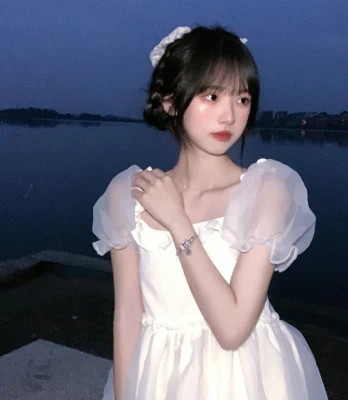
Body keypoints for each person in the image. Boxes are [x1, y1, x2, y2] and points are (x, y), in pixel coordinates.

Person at [92, 25, 328, 400]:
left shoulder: (266, 191)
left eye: (242, 99)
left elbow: (232, 329)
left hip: (242, 378)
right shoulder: (130, 194)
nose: (229, 116)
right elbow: (127, 316)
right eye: (212, 96)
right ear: (170, 101)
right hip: (158, 375)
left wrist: (177, 221)